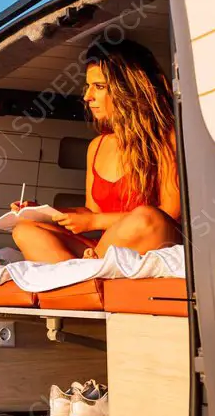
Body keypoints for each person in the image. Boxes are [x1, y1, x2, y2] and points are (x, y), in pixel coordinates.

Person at [11, 39, 182, 263]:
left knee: (146, 217)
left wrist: (94, 223)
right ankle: (85, 275)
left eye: (99, 86)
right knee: (25, 230)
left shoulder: (166, 138)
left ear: (128, 89)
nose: (87, 96)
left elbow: (170, 213)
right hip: (104, 250)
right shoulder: (97, 146)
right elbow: (91, 212)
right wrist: (44, 212)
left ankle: (85, 271)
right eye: (88, 86)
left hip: (151, 240)